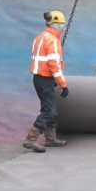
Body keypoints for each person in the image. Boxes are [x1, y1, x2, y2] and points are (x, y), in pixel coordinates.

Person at [24, 10, 70, 153]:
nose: (62, 27)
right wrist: (63, 84)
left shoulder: (40, 37)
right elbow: (54, 65)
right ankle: (31, 139)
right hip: (45, 79)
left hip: (38, 78)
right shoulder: (52, 41)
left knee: (51, 107)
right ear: (54, 24)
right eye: (61, 24)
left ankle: (51, 138)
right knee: (48, 110)